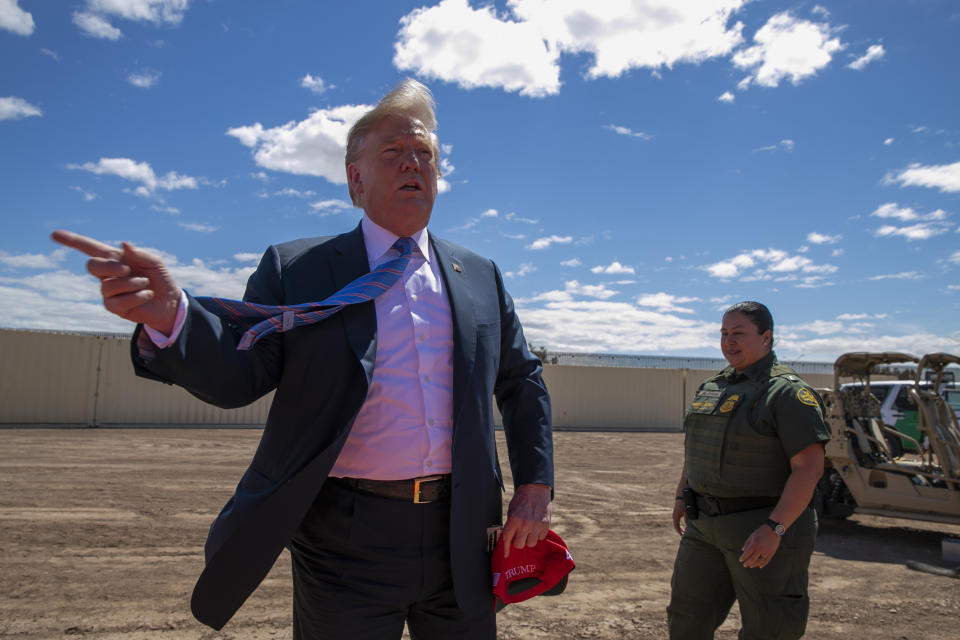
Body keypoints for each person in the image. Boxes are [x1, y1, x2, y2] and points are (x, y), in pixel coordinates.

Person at [52, 79, 553, 640]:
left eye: (425, 154)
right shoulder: (298, 269)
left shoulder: (479, 274)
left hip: (462, 529)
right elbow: (242, 373)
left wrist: (535, 486)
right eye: (394, 152)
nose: (414, 162)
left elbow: (521, 378)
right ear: (355, 178)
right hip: (344, 539)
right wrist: (174, 318)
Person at [667, 301, 830, 640]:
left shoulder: (787, 393)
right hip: (705, 526)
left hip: (761, 527)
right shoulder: (714, 387)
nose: (729, 341)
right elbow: (696, 446)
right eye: (724, 333)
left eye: (739, 333)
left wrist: (775, 527)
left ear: (766, 337)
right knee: (687, 618)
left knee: (770, 627)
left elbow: (809, 469)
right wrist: (684, 492)